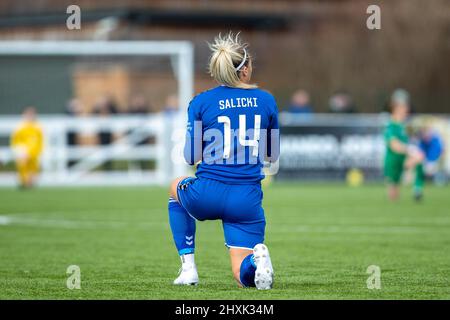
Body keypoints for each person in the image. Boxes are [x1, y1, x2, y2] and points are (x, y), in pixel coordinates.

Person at [167, 32, 279, 290]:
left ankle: (188, 269)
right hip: (247, 198)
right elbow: (272, 155)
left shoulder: (201, 102)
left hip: (207, 192)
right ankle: (256, 261)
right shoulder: (266, 100)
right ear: (246, 69)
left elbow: (191, 157)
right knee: (242, 274)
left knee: (175, 189)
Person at [383, 89, 424, 201]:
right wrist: (409, 149)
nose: (406, 110)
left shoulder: (405, 126)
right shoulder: (390, 126)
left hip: (404, 158)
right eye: (403, 107)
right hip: (393, 161)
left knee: (419, 157)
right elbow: (394, 145)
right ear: (396, 108)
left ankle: (417, 189)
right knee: (393, 196)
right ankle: (406, 175)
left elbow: (416, 139)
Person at [10, 106, 44, 189]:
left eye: (32, 114)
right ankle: (24, 182)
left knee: (33, 168)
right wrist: (21, 152)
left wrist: (33, 153)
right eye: (28, 114)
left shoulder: (38, 128)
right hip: (23, 153)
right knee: (23, 167)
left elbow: (40, 142)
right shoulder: (20, 128)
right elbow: (16, 141)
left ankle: (30, 183)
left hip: (34, 153)